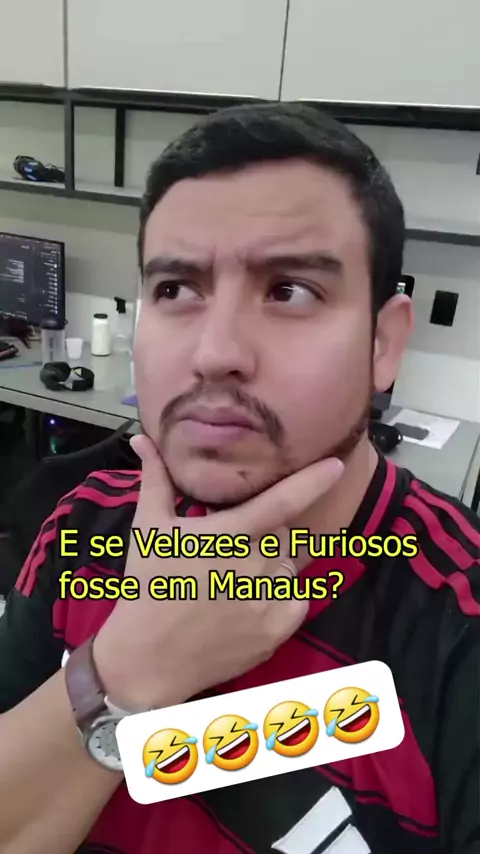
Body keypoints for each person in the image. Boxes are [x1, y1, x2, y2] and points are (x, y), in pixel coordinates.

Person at [0, 103, 478, 854]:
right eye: (176, 289)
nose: (214, 352)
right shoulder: (80, 525)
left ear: (384, 345)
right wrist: (125, 669)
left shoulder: (457, 628)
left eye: (290, 290)